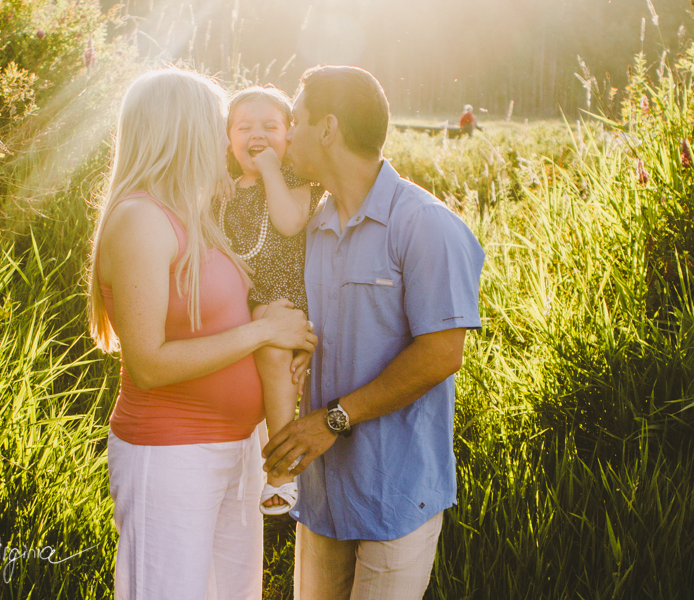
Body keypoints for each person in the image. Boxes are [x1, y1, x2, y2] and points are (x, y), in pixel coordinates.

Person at [88, 67, 317, 600]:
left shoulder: (199, 211)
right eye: (218, 123)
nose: (225, 137)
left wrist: (290, 348)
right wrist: (262, 333)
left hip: (236, 449)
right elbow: (147, 362)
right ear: (181, 128)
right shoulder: (142, 217)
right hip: (173, 453)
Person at [262, 66, 485, 599]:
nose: (286, 133)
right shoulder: (313, 227)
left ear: (328, 128)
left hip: (396, 492)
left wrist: (332, 420)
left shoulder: (426, 225)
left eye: (295, 119)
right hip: (323, 492)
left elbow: (441, 354)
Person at [216, 86, 325, 515]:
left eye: (270, 126)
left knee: (277, 354)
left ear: (289, 135)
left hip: (282, 299)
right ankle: (245, 459)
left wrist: (270, 171)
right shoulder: (223, 189)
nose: (256, 133)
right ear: (229, 139)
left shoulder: (296, 184)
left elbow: (287, 221)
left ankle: (282, 467)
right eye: (244, 127)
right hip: (239, 303)